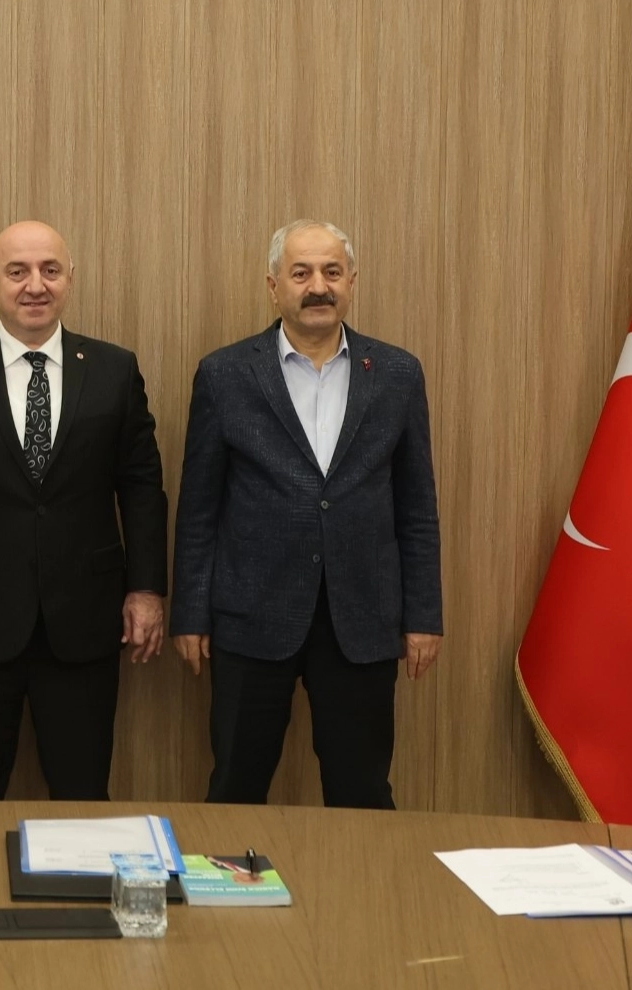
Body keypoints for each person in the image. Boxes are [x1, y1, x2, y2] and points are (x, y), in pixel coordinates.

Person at [170, 219, 443, 809]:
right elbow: (199, 508)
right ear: (274, 287)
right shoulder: (224, 374)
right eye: (301, 273)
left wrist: (423, 615)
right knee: (236, 786)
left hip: (362, 619)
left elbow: (417, 506)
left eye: (331, 272)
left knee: (362, 792)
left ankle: (361, 876)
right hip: (251, 615)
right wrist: (190, 613)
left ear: (352, 282)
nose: (318, 286)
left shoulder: (397, 374)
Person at [0, 221, 168, 800]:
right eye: (17, 271)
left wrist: (147, 589)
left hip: (86, 619)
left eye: (50, 270)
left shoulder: (114, 369)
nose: (35, 285)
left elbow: (141, 487)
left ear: (69, 278)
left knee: (82, 793)